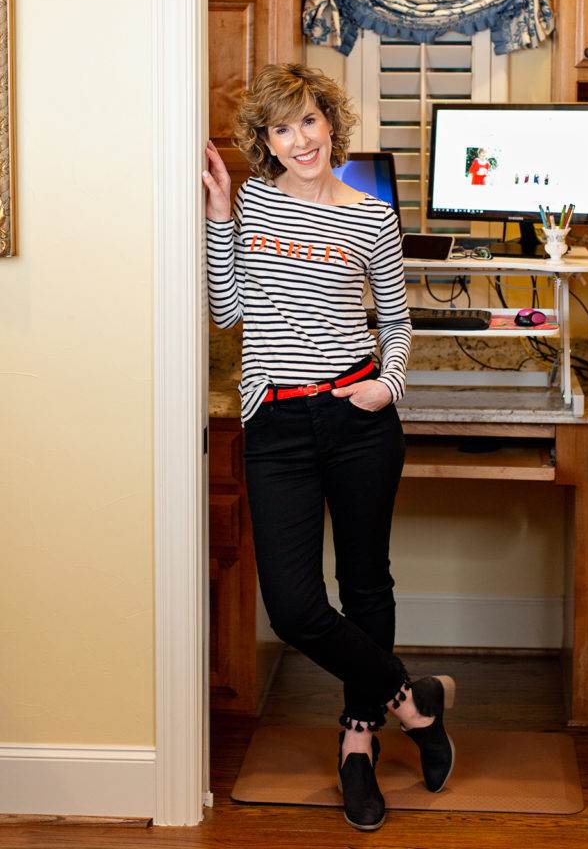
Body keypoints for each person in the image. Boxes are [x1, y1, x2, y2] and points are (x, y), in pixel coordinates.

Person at [203, 63, 456, 832]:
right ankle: (414, 702)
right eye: (281, 128)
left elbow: (400, 322)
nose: (299, 139)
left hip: (357, 418)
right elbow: (226, 312)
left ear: (330, 124)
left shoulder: (369, 217)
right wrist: (219, 217)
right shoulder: (252, 201)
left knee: (366, 580)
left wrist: (389, 385)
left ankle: (357, 741)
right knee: (295, 607)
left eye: (309, 121)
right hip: (276, 426)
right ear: (265, 141)